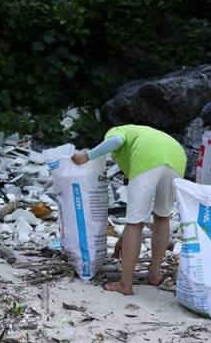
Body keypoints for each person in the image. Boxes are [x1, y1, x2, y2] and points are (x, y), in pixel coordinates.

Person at [72, 125, 187, 295]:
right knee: (163, 217)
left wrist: (86, 156)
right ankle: (154, 275)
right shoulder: (141, 132)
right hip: (177, 157)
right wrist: (124, 239)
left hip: (148, 159)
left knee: (135, 222)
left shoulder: (117, 130)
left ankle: (125, 284)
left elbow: (116, 140)